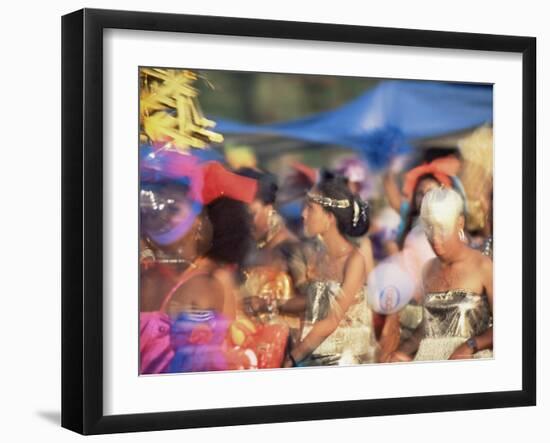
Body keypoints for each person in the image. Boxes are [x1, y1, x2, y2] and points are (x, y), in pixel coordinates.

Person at [387, 187, 493, 362]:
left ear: (460, 223)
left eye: (442, 229)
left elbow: (509, 325)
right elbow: (428, 329)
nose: (435, 238)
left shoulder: (483, 266)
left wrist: (471, 345)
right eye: (429, 228)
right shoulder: (428, 269)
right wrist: (400, 353)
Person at [285, 172, 378, 367]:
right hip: (315, 351)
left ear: (329, 218)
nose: (303, 214)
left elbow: (332, 318)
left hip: (345, 359)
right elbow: (313, 303)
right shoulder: (317, 257)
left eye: (310, 209)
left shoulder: (354, 260)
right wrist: (273, 305)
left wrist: (294, 356)